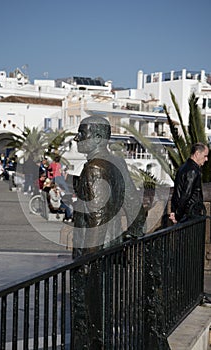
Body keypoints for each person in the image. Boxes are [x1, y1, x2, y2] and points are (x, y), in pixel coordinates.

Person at [71, 116, 146, 349]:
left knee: (88, 314)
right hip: (112, 249)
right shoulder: (117, 162)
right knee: (104, 309)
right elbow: (135, 206)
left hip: (94, 251)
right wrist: (133, 236)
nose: (77, 140)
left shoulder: (94, 168)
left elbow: (97, 220)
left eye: (81, 134)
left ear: (97, 138)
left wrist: (87, 261)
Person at [169, 142, 209, 224]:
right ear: (197, 154)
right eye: (205, 156)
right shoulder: (193, 171)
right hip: (189, 215)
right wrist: (177, 215)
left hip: (184, 215)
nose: (206, 159)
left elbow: (177, 192)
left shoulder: (183, 168)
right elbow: (186, 195)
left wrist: (174, 211)